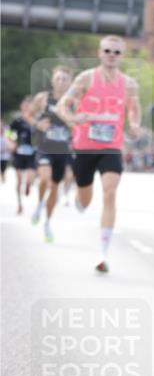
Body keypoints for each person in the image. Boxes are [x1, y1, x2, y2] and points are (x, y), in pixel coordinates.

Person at [55, 36, 141, 273]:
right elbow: (63, 105)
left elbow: (134, 110)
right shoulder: (86, 78)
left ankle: (103, 253)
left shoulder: (129, 84)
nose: (112, 55)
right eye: (107, 51)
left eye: (116, 52)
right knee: (85, 198)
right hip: (84, 145)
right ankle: (79, 197)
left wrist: (134, 124)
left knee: (110, 192)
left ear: (122, 56)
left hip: (111, 146)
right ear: (99, 53)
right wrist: (73, 118)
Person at [29, 65, 73, 243]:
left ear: (70, 82)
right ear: (52, 80)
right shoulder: (43, 98)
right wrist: (38, 124)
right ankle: (39, 203)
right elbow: (29, 115)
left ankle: (47, 222)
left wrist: (73, 122)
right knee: (45, 179)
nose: (61, 82)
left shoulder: (73, 101)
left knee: (55, 187)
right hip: (45, 147)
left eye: (65, 79)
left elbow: (80, 121)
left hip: (62, 150)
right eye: (58, 78)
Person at [8, 98, 37, 214]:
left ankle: (28, 185)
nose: (27, 108)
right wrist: (11, 142)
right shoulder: (17, 121)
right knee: (19, 180)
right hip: (19, 153)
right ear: (21, 107)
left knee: (30, 177)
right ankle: (19, 204)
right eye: (25, 106)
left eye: (29, 106)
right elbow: (8, 132)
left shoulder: (35, 121)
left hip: (32, 153)